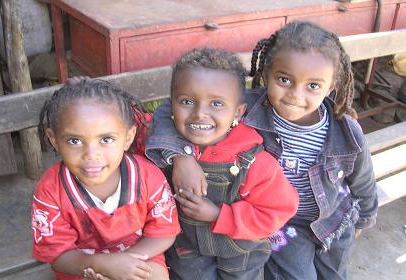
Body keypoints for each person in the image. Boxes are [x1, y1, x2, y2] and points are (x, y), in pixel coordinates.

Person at [145, 22, 378, 280]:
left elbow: (363, 178)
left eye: (313, 86)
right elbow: (172, 108)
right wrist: (182, 156)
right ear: (267, 74)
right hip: (282, 223)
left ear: (331, 85)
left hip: (334, 218)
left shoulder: (344, 130)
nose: (295, 95)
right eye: (284, 80)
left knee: (334, 274)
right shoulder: (246, 106)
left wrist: (365, 217)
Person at [146, 48, 299, 279]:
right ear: (172, 106)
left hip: (241, 256)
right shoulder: (164, 147)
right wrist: (181, 156)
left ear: (238, 112)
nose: (199, 114)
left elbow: (277, 211)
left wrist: (219, 215)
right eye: (187, 101)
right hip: (188, 254)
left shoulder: (255, 161)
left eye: (216, 104)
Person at [31, 79, 180, 280]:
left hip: (138, 257)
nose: (91, 154)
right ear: (54, 139)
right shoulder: (51, 190)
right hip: (82, 266)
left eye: (106, 140)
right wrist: (101, 265)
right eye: (74, 141)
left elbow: (164, 232)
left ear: (128, 138)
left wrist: (123, 264)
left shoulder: (148, 177)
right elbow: (57, 254)